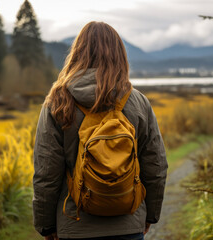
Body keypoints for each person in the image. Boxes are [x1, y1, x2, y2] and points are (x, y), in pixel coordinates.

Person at [33, 21, 168, 240]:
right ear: (120, 56)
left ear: (77, 53)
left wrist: (46, 226)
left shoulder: (58, 101)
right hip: (127, 224)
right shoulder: (138, 102)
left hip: (74, 224)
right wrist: (150, 215)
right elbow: (156, 165)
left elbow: (47, 171)